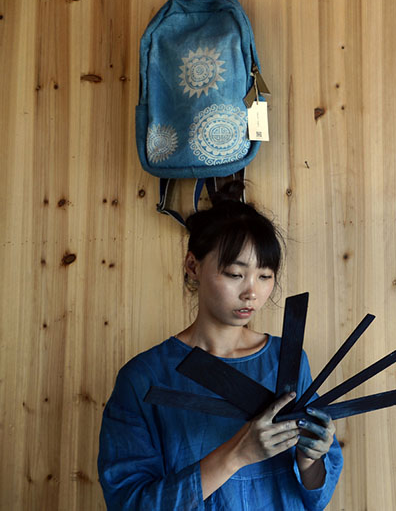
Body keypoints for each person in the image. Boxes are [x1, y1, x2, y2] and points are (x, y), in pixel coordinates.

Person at [98, 181, 343, 509]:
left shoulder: (288, 361)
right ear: (193, 266)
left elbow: (315, 493)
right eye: (234, 274)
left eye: (265, 276)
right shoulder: (144, 377)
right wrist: (238, 454)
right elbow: (130, 502)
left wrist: (310, 458)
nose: (251, 292)